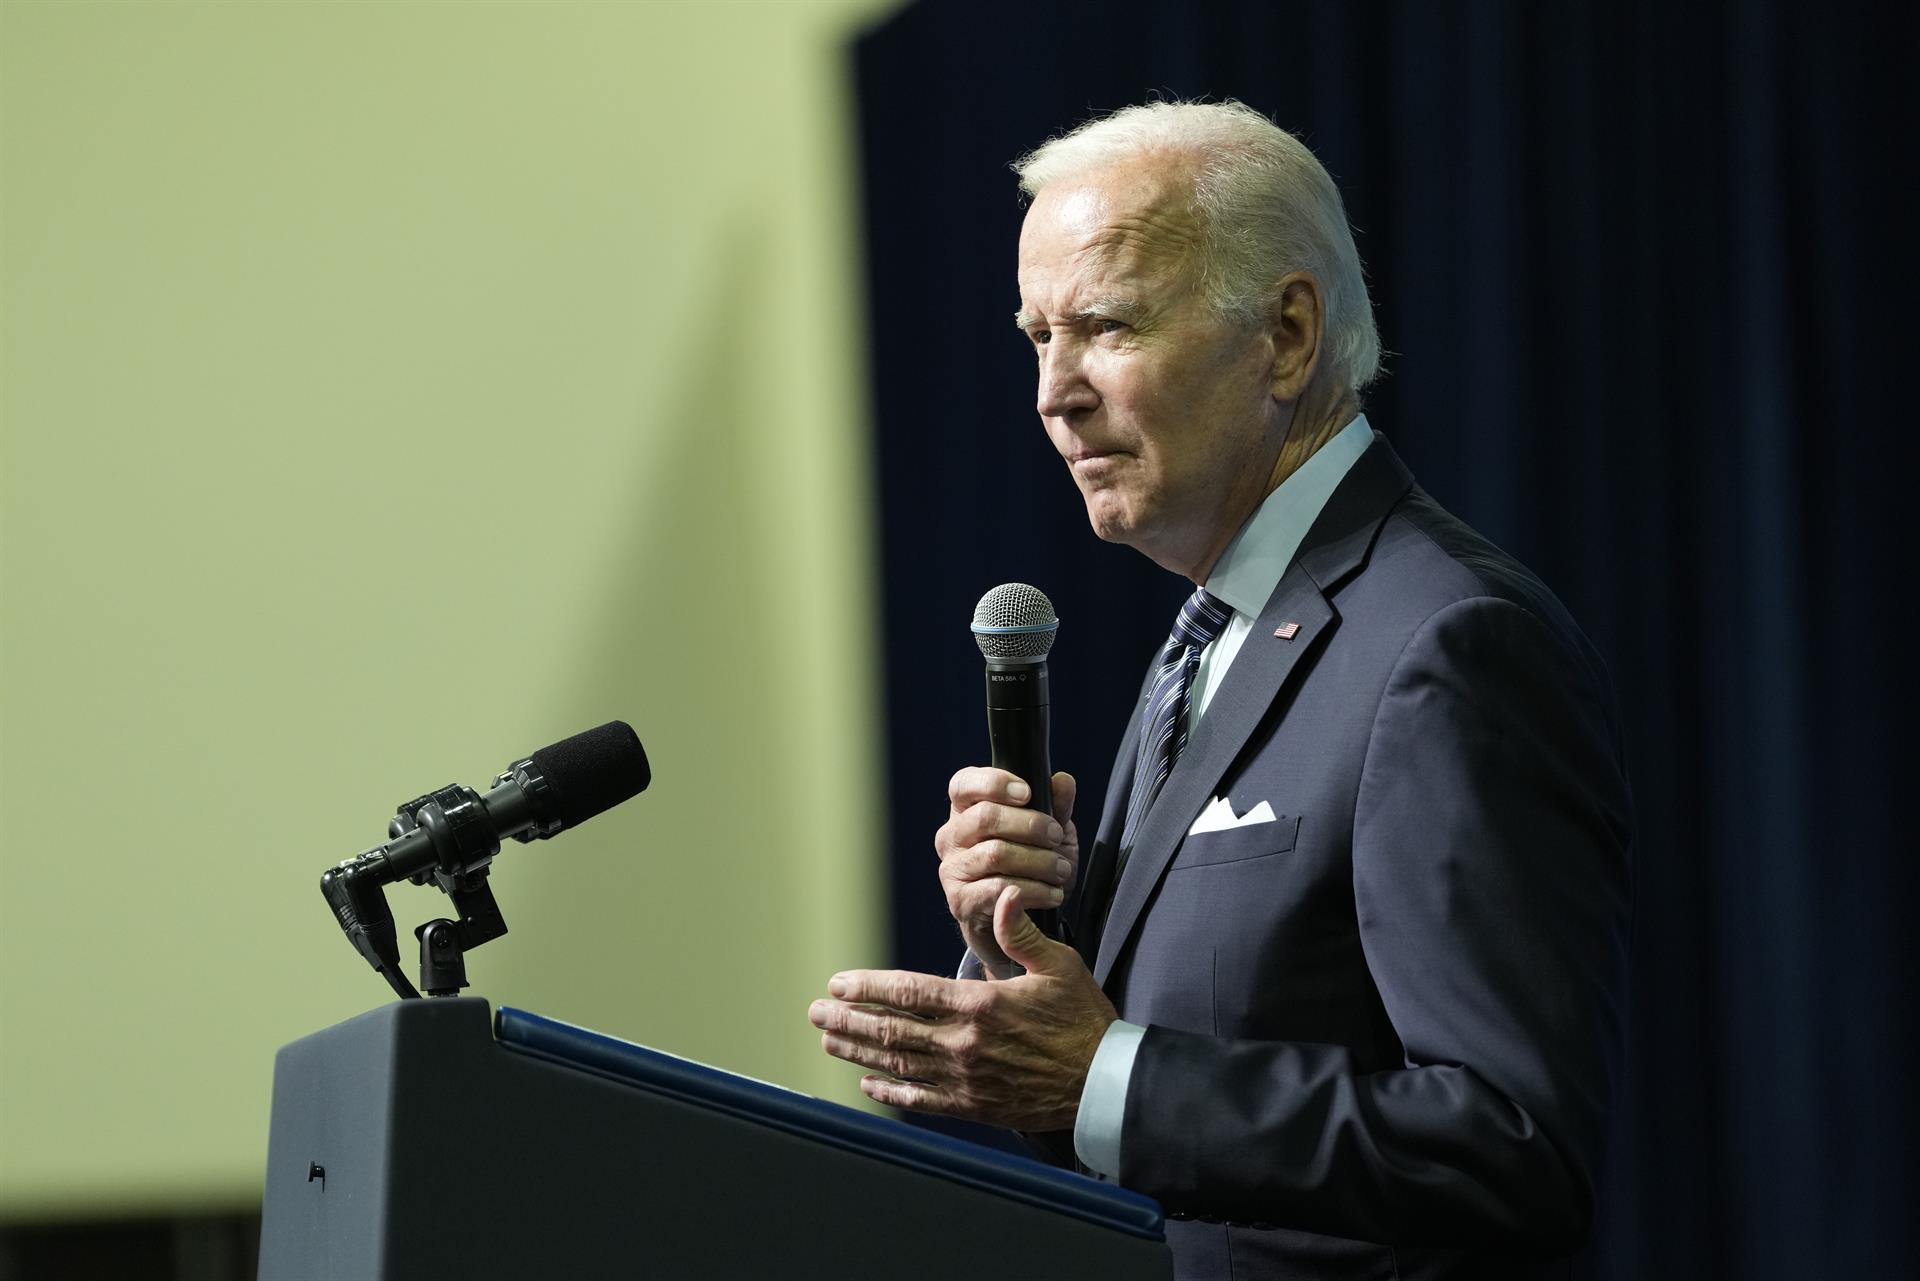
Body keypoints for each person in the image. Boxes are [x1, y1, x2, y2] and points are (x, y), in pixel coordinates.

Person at [810, 100, 1631, 1280]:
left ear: (1287, 334)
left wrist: (1104, 1075)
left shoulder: (1449, 644)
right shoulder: (1213, 633)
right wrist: (1026, 971)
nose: (1055, 391)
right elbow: (1160, 1085)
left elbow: (1512, 1146)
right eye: (1035, 336)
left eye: (1104, 325)